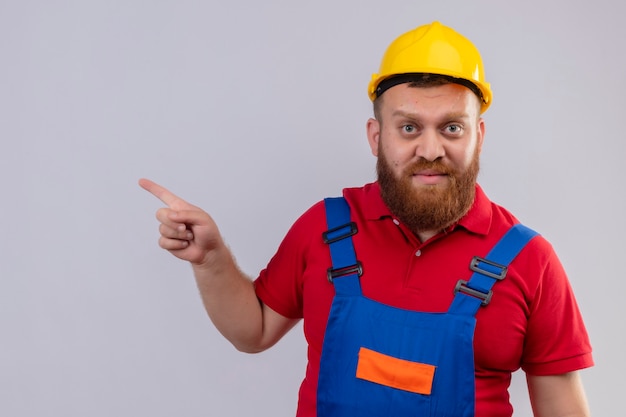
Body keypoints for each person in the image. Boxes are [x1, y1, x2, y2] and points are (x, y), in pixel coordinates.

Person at [139, 21, 593, 417]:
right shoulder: (325, 228)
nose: (430, 150)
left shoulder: (530, 262)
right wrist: (211, 259)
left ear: (478, 135)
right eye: (409, 127)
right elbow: (253, 331)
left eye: (451, 127)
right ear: (377, 136)